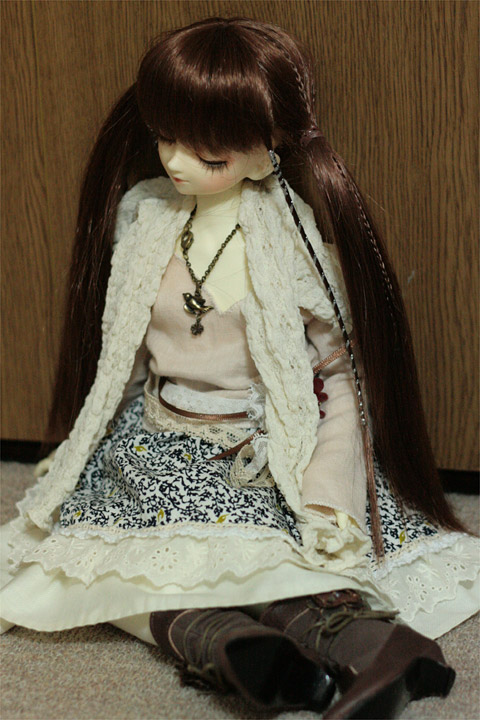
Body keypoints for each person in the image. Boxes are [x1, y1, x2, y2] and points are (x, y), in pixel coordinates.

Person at [1, 17, 478, 719]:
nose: (175, 163)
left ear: (262, 156)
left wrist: (328, 491)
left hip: (260, 450)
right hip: (158, 439)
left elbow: (343, 379)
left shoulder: (290, 244)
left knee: (274, 559)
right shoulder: (146, 217)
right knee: (94, 572)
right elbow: (121, 353)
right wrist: (82, 445)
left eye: (208, 154)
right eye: (165, 137)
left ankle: (368, 643)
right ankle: (233, 649)